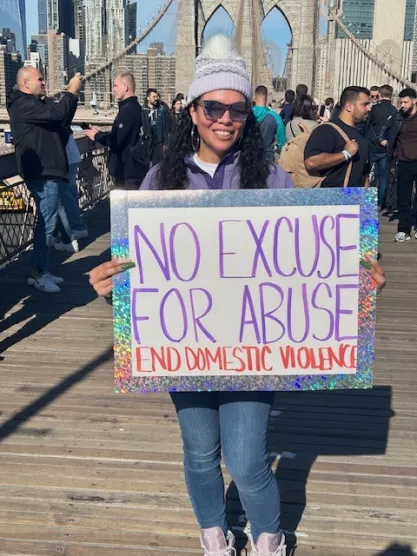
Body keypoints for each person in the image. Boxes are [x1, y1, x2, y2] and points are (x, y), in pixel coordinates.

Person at [88, 35, 386, 556]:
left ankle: (268, 536)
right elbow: (147, 281)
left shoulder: (270, 177)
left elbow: (305, 257)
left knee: (248, 461)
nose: (225, 117)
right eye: (213, 106)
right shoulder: (161, 179)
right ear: (193, 109)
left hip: (255, 348)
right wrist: (113, 289)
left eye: (238, 108)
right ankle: (213, 533)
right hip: (186, 347)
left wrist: (355, 275)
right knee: (200, 452)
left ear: (249, 114)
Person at [7, 67, 82, 293]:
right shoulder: (24, 105)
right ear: (26, 84)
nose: (44, 82)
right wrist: (70, 92)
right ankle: (39, 272)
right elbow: (58, 114)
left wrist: (72, 97)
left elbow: (61, 118)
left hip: (49, 170)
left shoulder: (35, 104)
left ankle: (40, 270)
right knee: (47, 223)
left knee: (45, 221)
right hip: (43, 172)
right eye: (39, 79)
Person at [84, 73, 146, 189]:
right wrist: (100, 133)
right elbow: (123, 135)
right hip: (133, 169)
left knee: (125, 206)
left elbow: (117, 141)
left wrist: (97, 136)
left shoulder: (128, 110)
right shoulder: (135, 107)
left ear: (125, 87)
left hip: (127, 171)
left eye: (116, 86)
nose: (114, 90)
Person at [304, 86, 371, 187]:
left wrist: (368, 201)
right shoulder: (327, 130)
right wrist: (345, 154)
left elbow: (364, 175)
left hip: (356, 199)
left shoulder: (361, 135)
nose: (369, 108)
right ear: (349, 107)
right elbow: (311, 162)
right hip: (333, 199)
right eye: (364, 104)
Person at [386, 87, 417, 242]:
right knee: (403, 198)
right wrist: (384, 142)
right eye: (401, 102)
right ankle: (403, 230)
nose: (402, 105)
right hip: (403, 161)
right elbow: (384, 130)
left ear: (414, 100)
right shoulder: (398, 117)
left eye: (405, 102)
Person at [366, 84, 397, 211]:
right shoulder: (395, 111)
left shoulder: (375, 109)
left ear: (380, 94)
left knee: (366, 174)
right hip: (386, 147)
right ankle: (380, 204)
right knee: (382, 176)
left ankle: (367, 200)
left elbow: (368, 124)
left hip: (372, 145)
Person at [252, 85, 286, 162]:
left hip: (248, 159)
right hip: (267, 160)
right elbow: (282, 143)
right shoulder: (276, 117)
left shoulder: (247, 115)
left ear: (254, 97)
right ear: (266, 98)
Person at [143, 88, 169, 166]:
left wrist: (165, 143)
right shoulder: (143, 111)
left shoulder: (161, 110)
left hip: (158, 143)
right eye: (154, 97)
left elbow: (165, 128)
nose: (156, 99)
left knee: (158, 167)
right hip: (146, 144)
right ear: (148, 98)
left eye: (157, 96)